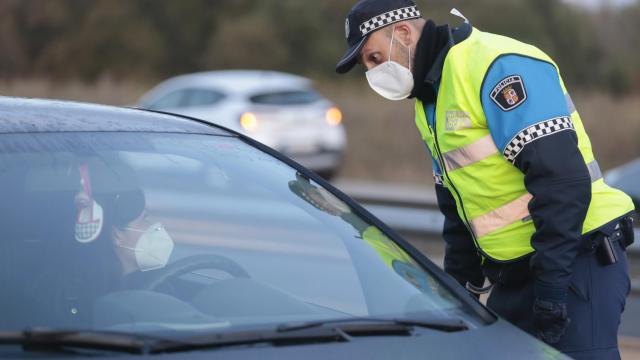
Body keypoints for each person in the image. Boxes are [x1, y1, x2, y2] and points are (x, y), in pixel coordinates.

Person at [335, 0, 636, 358]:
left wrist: (552, 289)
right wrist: (459, 290)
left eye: (373, 58)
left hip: (575, 260)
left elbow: (562, 183)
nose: (372, 73)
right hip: (520, 274)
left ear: (402, 33)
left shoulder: (497, 66)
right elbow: (458, 206)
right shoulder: (428, 99)